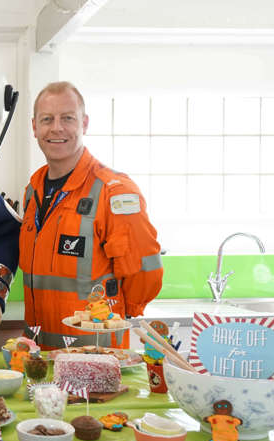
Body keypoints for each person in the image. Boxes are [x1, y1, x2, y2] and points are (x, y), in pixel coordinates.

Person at [20, 82, 163, 350]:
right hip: (39, 356)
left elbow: (145, 271)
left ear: (84, 124)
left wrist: (122, 312)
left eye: (68, 118)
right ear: (34, 127)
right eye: (47, 119)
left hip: (95, 355)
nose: (57, 128)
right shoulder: (32, 191)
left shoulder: (114, 193)